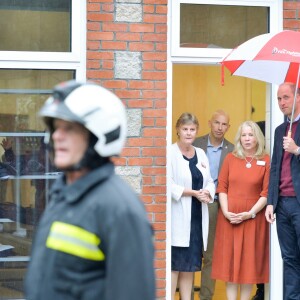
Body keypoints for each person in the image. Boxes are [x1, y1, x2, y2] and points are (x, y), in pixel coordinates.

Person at [24, 80, 156, 300]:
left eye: (70, 128)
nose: (57, 135)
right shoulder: (62, 195)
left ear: (99, 134)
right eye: (56, 127)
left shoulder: (119, 209)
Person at [211, 120, 270, 300]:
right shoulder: (231, 158)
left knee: (248, 266)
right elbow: (222, 187)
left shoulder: (266, 160)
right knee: (230, 265)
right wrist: (227, 212)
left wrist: (250, 213)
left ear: (257, 137)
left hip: (253, 219)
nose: (247, 139)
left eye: (250, 135)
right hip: (229, 218)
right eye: (244, 135)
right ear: (239, 137)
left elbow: (266, 193)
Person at [171, 112, 215, 300]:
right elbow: (169, 184)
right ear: (178, 131)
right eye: (185, 129)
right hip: (179, 217)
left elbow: (210, 181)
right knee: (175, 265)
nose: (189, 133)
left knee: (190, 266)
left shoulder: (201, 153)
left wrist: (207, 192)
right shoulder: (171, 152)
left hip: (197, 217)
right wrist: (192, 192)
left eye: (192, 129)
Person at [193, 109, 233, 300]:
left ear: (228, 127)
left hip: (216, 205)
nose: (220, 127)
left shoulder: (233, 150)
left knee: (210, 255)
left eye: (224, 124)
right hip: (193, 202)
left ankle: (205, 297)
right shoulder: (196, 144)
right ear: (209, 122)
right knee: (191, 251)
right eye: (216, 122)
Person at [265, 82, 300, 300]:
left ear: (297, 97)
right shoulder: (280, 131)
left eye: (286, 97)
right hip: (283, 203)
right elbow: (275, 168)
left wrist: (297, 150)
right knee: (289, 258)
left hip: (298, 202)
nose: (281, 103)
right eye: (278, 99)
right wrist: (271, 201)